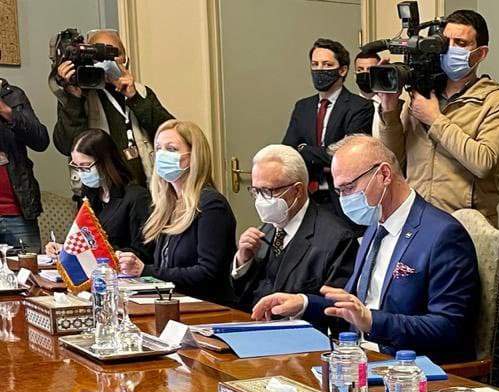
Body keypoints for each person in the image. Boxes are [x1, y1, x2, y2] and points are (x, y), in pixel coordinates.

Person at [251, 135, 479, 363]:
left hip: (408, 367)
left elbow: (449, 327)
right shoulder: (374, 226)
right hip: (358, 358)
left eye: (349, 188)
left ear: (384, 175)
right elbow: (354, 308)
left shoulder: (442, 235)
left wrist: (371, 321)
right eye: (339, 191)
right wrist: (303, 303)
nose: (344, 200)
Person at [377, 9, 499, 228]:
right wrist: (389, 109)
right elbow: (393, 160)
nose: (450, 49)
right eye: (445, 41)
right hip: (417, 220)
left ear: (480, 53)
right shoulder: (421, 95)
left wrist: (435, 119)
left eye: (460, 43)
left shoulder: (495, 101)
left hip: (464, 225)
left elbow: (484, 163)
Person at [118, 120, 236, 305]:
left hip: (206, 306)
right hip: (172, 302)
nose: (162, 155)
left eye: (171, 149)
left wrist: (145, 271)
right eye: (158, 149)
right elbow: (165, 266)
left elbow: (208, 272)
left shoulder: (211, 204)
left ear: (193, 156)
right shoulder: (167, 205)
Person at [231, 144, 358, 310]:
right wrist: (243, 260)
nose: (261, 200)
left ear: (297, 190)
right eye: (256, 191)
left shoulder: (337, 239)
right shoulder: (266, 229)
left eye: (268, 191)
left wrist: (303, 304)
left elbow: (338, 308)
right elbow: (242, 295)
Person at [50, 29, 173, 185]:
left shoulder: (140, 92)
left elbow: (170, 132)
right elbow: (66, 145)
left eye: (113, 53)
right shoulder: (78, 95)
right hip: (103, 189)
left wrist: (134, 98)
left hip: (144, 187)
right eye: (98, 53)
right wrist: (74, 99)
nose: (107, 60)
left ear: (125, 59)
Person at [283, 38, 373, 208]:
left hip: (342, 198)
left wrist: (305, 150)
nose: (319, 70)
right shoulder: (302, 107)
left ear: (343, 70)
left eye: (327, 64)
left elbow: (348, 157)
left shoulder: (360, 107)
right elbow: (288, 152)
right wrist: (323, 155)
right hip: (306, 197)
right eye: (315, 64)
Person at [44, 129, 152, 261]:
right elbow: (85, 237)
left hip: (123, 268)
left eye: (85, 166)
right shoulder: (88, 194)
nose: (81, 173)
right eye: (76, 166)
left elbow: (144, 253)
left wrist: (104, 254)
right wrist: (65, 248)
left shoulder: (137, 197)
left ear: (106, 162)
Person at [0, 62, 50, 252]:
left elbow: (41, 141)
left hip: (17, 211)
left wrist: (6, 111)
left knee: (29, 267)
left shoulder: (14, 96)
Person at [352, 49, 389, 138]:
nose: (365, 73)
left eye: (370, 70)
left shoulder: (391, 106)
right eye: (360, 70)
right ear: (355, 76)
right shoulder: (348, 106)